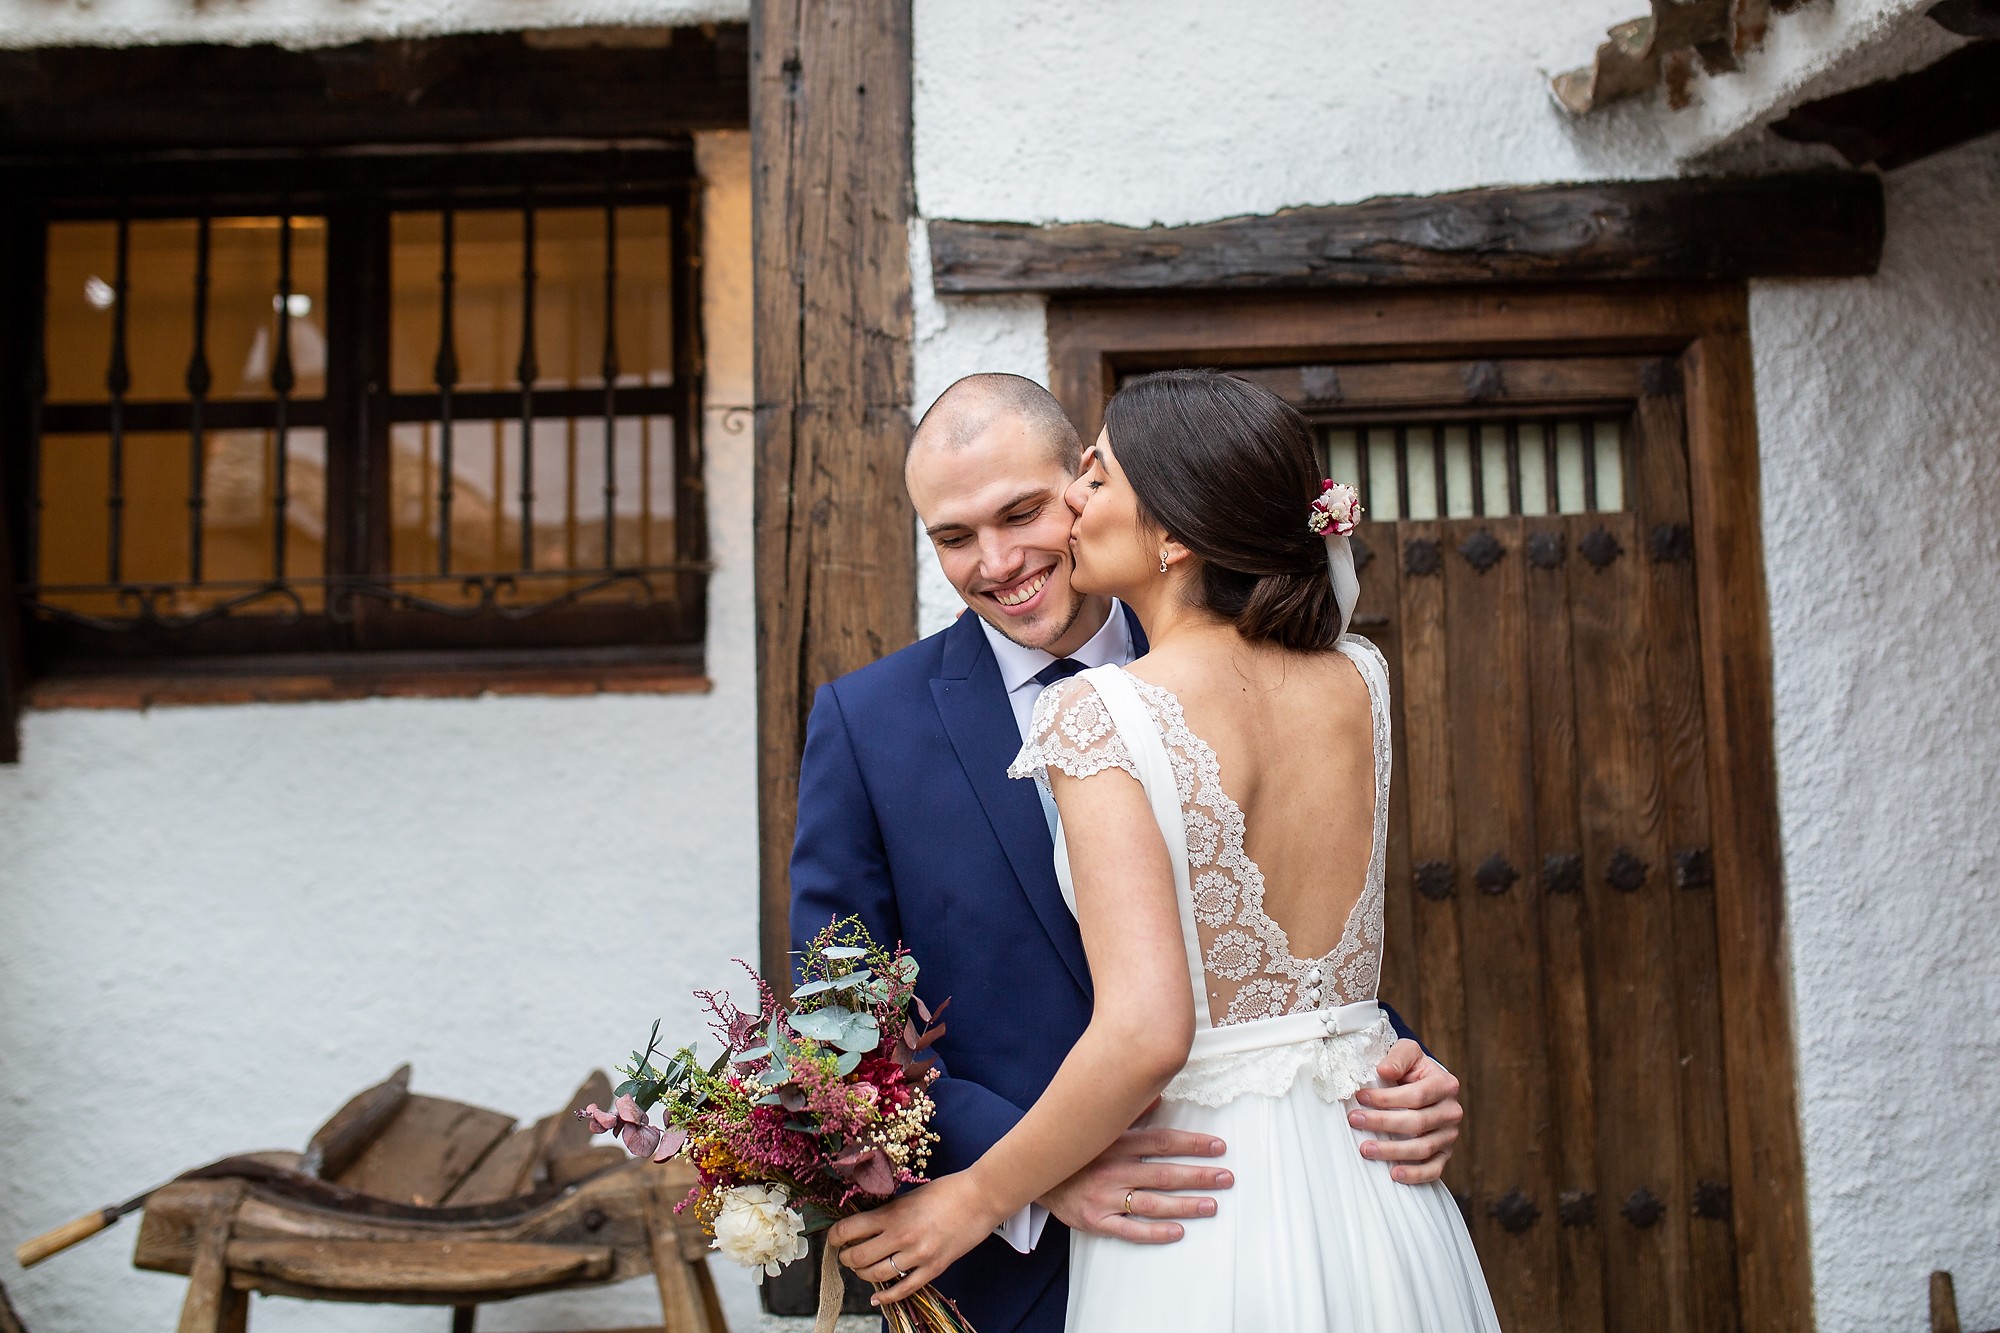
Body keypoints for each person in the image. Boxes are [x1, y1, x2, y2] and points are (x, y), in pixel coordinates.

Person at [791, 373, 1467, 1332]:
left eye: (1022, 511)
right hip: (1012, 1273)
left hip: (1274, 1210)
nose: (996, 561)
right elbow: (837, 1014)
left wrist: (1400, 1064)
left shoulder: (1280, 670)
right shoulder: (867, 724)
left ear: (1086, 487)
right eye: (952, 537)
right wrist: (1027, 1170)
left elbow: (1278, 939)